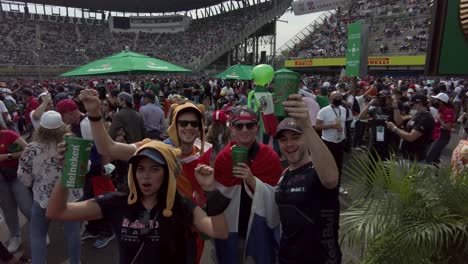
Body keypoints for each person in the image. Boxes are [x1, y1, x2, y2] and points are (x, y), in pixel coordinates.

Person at [46, 141, 229, 264]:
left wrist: (210, 189)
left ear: (167, 174)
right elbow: (57, 212)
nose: (145, 175)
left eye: (154, 169)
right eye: (140, 169)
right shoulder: (117, 203)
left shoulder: (182, 206)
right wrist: (66, 174)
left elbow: (219, 231)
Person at [275, 94, 341, 264]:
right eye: (284, 139)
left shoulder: (319, 170)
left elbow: (331, 179)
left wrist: (306, 125)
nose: (289, 144)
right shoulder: (285, 175)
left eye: (296, 137)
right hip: (286, 258)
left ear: (307, 138)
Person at [213, 107, 282, 264]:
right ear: (232, 128)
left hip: (261, 230)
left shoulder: (270, 157)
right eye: (239, 125)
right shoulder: (223, 159)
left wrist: (252, 181)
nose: (244, 130)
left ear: (257, 128)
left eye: (250, 125)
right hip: (233, 231)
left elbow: (278, 197)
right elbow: (216, 200)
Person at [17, 111, 82, 264]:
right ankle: (75, 261)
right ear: (62, 128)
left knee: (38, 235)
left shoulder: (31, 149)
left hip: (42, 197)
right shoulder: (72, 145)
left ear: (41, 128)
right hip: (69, 198)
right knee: (72, 233)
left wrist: (34, 184)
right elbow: (84, 168)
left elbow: (23, 176)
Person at [0, 124, 31, 253]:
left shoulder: (8, 134)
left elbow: (28, 149)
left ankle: (40, 231)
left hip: (16, 175)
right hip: (1, 181)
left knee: (26, 206)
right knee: (8, 210)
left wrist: (8, 156)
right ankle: (15, 236)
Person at [315, 91, 348, 194]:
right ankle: (325, 185)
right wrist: (331, 126)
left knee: (339, 165)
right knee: (327, 164)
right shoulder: (323, 111)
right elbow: (317, 126)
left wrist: (345, 136)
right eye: (335, 97)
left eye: (339, 97)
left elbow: (343, 124)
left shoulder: (343, 109)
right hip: (328, 141)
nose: (338, 99)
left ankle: (338, 185)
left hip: (340, 141)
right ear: (330, 98)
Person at [386, 94, 435, 161]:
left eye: (412, 105)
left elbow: (411, 137)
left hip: (413, 158)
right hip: (406, 154)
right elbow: (398, 121)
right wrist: (395, 107)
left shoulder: (426, 118)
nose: (411, 108)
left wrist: (394, 128)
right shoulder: (417, 114)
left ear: (419, 103)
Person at [358, 91, 403, 161]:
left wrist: (395, 107)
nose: (381, 100)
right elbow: (361, 117)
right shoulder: (374, 109)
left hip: (387, 143)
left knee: (386, 167)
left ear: (389, 99)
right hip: (374, 142)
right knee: (371, 165)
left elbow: (399, 122)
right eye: (379, 98)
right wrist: (369, 104)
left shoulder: (393, 110)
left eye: (383, 98)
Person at [426, 93, 455, 165]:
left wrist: (440, 120)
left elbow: (448, 127)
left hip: (442, 137)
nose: (435, 102)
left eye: (437, 100)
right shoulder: (439, 110)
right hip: (436, 136)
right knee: (435, 158)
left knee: (429, 158)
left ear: (441, 102)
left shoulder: (448, 111)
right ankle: (435, 175)